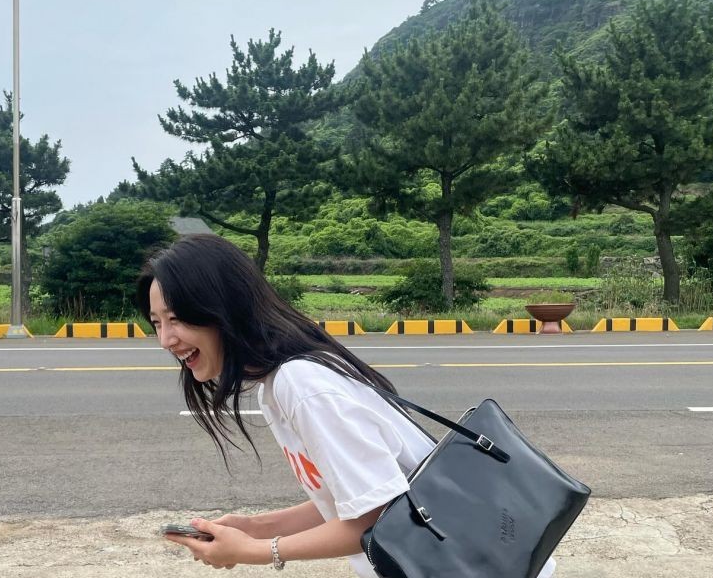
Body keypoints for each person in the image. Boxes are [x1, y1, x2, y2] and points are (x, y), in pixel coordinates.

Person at [138, 233, 556, 577]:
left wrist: (258, 550)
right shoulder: (276, 385)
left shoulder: (302, 385)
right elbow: (353, 498)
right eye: (157, 323)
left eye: (177, 319)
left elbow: (376, 517)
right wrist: (254, 527)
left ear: (222, 309)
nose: (166, 340)